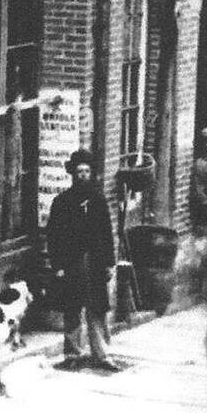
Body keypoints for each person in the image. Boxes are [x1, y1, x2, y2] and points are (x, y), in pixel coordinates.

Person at [46, 149, 119, 371]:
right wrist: (57, 266)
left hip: (95, 262)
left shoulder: (98, 201)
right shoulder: (62, 202)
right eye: (79, 171)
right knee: (72, 309)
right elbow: (54, 236)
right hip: (72, 263)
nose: (83, 175)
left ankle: (102, 353)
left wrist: (109, 263)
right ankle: (73, 352)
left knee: (97, 309)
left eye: (87, 171)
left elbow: (107, 233)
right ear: (72, 174)